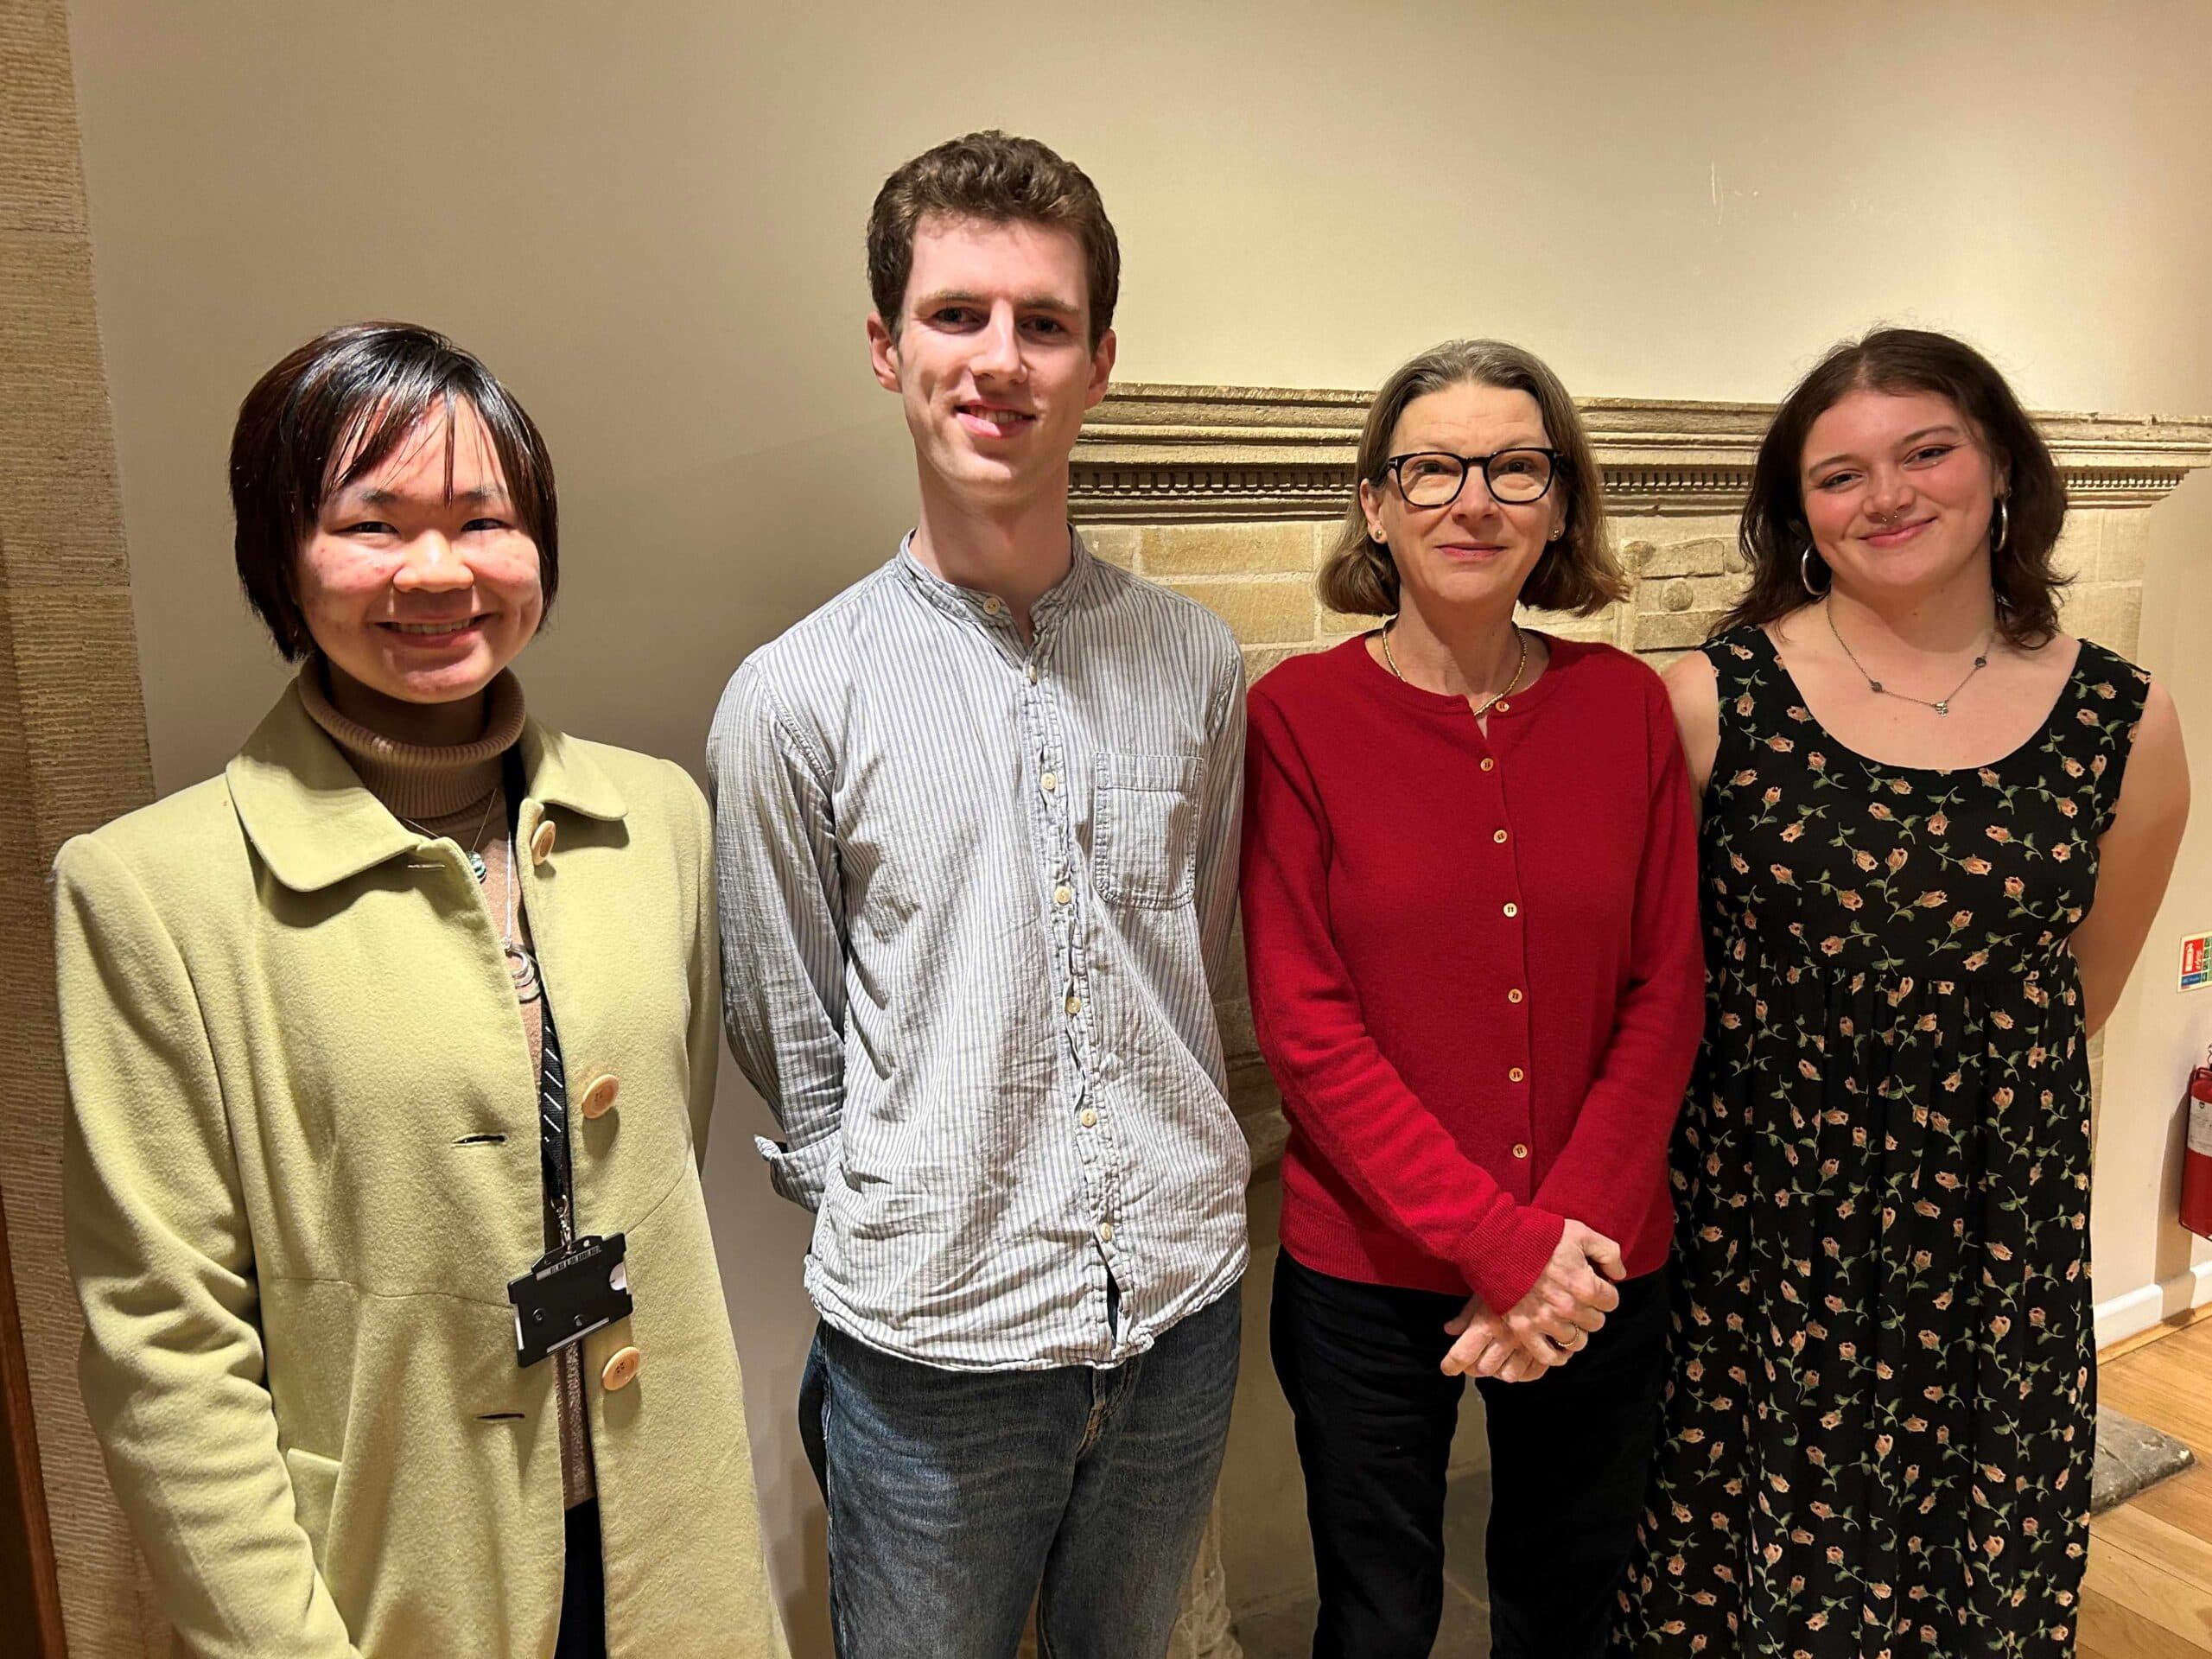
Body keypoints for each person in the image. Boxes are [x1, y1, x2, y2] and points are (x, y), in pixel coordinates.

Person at [56, 323, 787, 1659]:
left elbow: (649, 1160)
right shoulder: (148, 894)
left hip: (660, 1543)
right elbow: (165, 1345)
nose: (438, 572)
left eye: (483, 519)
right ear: (282, 553)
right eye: (373, 524)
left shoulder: (658, 819)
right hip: (382, 1573)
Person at [708, 131, 1248, 1659]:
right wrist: (924, 1208)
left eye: (1044, 323)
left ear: (1099, 362)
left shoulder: (1196, 664)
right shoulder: (794, 697)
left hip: (1178, 1314)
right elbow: (792, 1039)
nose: (999, 361)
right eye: (956, 316)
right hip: (934, 1357)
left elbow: (1193, 961)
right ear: (887, 349)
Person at [1615, 327, 2191, 1655]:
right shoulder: (1707, 700)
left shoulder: (2123, 716)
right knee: (1735, 1546)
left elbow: (2083, 986)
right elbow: (1649, 976)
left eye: (1926, 450)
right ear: (1798, 512)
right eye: (1839, 474)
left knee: (1962, 1562)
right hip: (1762, 1222)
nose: (1888, 495)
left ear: (2000, 468)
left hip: (1994, 1226)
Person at [1240, 338, 1706, 1659]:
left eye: (1513, 465)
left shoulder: (1624, 707)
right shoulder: (1297, 717)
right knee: (1377, 1617)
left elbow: (1667, 989)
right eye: (1432, 467)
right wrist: (1501, 1250)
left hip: (1599, 1258)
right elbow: (1306, 1026)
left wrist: (1562, 1246)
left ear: (1560, 502)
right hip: (1370, 1273)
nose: (1473, 499)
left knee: (1568, 1606)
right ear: (1377, 506)